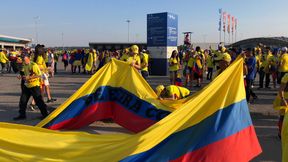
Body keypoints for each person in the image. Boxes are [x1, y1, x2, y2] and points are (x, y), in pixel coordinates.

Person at [13, 54, 49, 120]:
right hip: (27, 85)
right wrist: (20, 77)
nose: (24, 61)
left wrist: (29, 77)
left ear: (29, 59)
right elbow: (25, 75)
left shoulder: (33, 65)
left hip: (34, 85)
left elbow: (39, 75)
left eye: (25, 60)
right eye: (23, 60)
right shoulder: (24, 65)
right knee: (23, 101)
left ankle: (45, 115)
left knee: (38, 101)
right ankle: (22, 115)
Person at [273, 73, 288, 138]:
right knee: (283, 116)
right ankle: (280, 132)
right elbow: (281, 89)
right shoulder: (287, 76)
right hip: (285, 98)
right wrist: (283, 99)